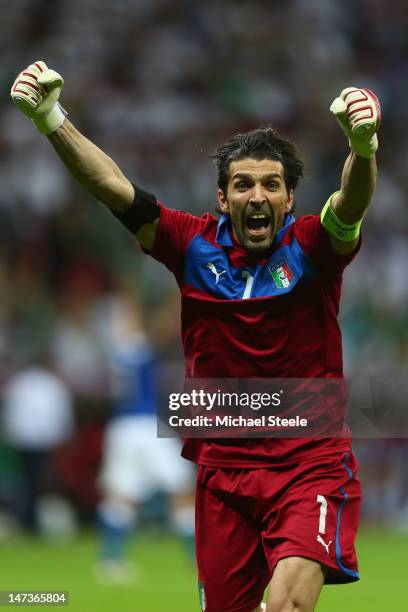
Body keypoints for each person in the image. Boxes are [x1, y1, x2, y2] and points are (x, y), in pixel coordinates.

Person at [10, 61, 380, 612]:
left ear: (290, 201)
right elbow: (114, 188)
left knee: (286, 606)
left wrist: (362, 147)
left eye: (271, 185)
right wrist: (51, 119)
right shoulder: (191, 245)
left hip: (309, 465)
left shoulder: (313, 249)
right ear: (223, 198)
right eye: (244, 184)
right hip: (222, 473)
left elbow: (351, 201)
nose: (258, 196)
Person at [96, 285, 195, 582]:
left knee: (121, 495)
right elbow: (162, 328)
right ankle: (196, 559)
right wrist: (181, 294)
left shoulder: (116, 349)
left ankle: (110, 562)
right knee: (181, 488)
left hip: (121, 427)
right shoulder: (136, 345)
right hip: (145, 425)